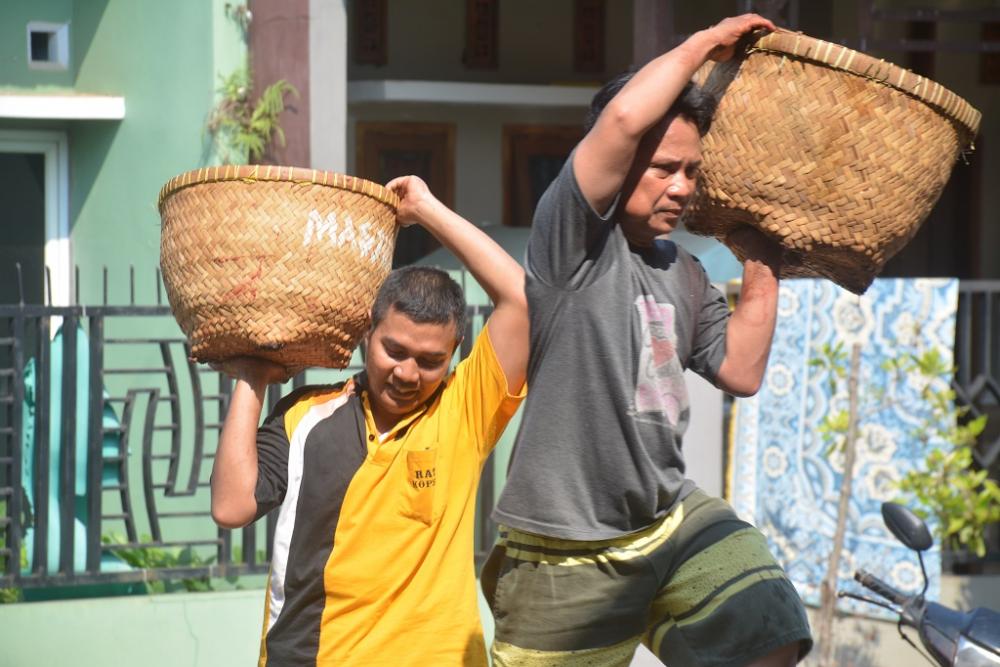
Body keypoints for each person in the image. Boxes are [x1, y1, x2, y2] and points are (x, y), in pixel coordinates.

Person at [483, 14, 812, 667]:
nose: (682, 186)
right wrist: (701, 47)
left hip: (667, 518)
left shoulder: (683, 271)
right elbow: (625, 121)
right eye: (665, 168)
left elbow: (741, 369)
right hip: (567, 546)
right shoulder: (572, 243)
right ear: (619, 161)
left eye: (692, 170)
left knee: (769, 630)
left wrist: (762, 252)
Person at [210, 175, 528, 666]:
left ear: (453, 357)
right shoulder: (306, 416)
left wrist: (425, 208)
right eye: (393, 350)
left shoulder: (463, 409)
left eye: (429, 360)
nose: (406, 373)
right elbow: (232, 507)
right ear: (366, 334)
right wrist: (251, 378)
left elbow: (520, 299)